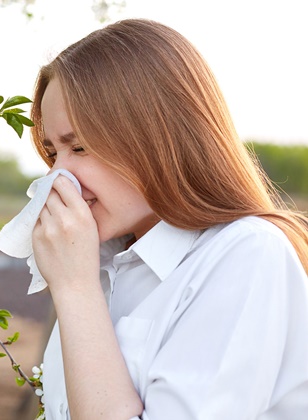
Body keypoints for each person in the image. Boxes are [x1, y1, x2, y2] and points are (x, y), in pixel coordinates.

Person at [29, 18, 308, 420]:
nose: (59, 177)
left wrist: (75, 290)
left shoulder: (246, 254)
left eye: (81, 147)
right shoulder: (105, 263)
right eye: (54, 153)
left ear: (157, 136)